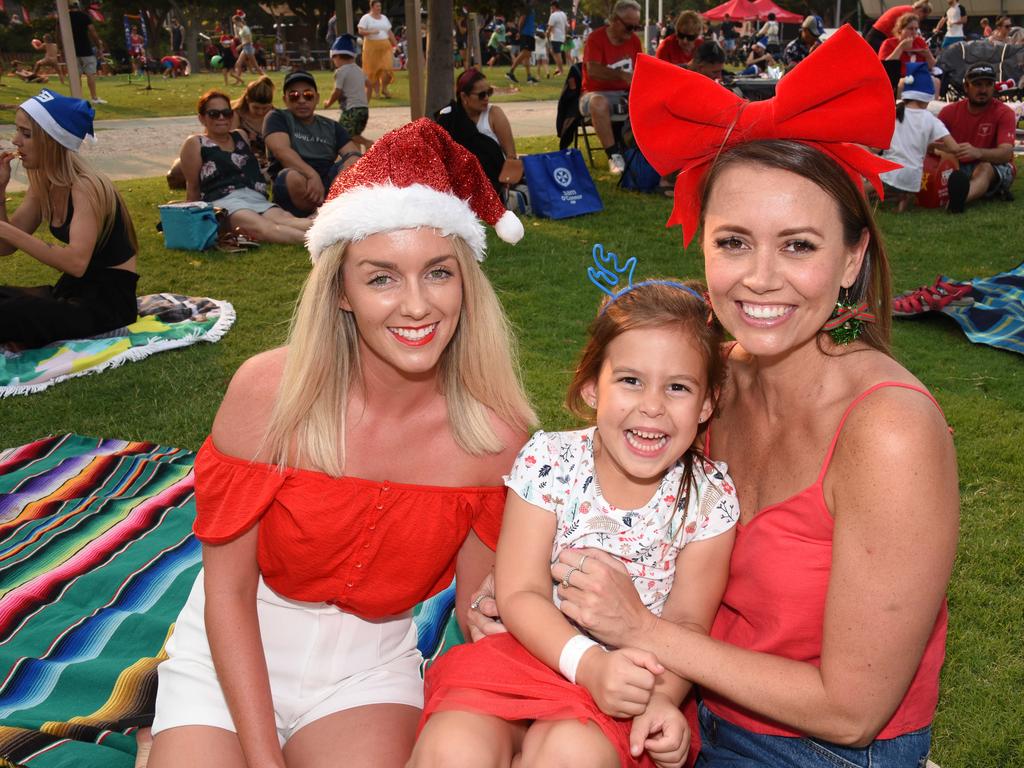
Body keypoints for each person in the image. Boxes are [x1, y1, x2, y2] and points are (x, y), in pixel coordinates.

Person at [494, 27, 957, 767]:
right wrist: (536, 593)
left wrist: (642, 630)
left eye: (799, 246)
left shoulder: (890, 432)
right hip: (678, 706)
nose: (760, 277)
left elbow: (852, 711)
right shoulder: (707, 385)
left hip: (816, 751)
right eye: (734, 241)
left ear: (852, 259)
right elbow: (607, 498)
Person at [147, 119, 532, 768]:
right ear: (343, 292)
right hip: (235, 645)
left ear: (466, 281)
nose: (416, 306)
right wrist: (264, 758)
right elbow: (229, 594)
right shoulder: (268, 393)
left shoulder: (497, 437)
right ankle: (163, 737)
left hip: (370, 666)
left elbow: (476, 606)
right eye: (381, 278)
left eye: (438, 273)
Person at [411, 275, 738, 768]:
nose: (652, 406)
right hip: (535, 650)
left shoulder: (708, 500)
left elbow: (688, 623)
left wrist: (658, 699)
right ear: (591, 387)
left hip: (628, 681)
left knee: (572, 754)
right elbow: (519, 591)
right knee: (454, 747)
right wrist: (586, 663)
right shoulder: (550, 463)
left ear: (707, 403)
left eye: (677, 387)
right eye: (630, 380)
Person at [0, 91, 138, 348]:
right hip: (72, 291)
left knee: (12, 313)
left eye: (26, 134)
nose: (15, 140)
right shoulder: (43, 182)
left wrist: (6, 231)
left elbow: (76, 263)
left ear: (52, 141)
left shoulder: (85, 187)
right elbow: (5, 247)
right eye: (17, 131)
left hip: (108, 302)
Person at [180, 91, 311, 245]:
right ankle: (322, 242)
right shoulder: (196, 143)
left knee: (289, 220)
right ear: (202, 118)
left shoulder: (240, 136)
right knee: (264, 229)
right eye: (214, 114)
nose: (221, 118)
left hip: (254, 196)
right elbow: (193, 186)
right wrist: (191, 223)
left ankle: (338, 234)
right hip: (224, 201)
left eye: (226, 113)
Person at [265, 70, 363, 217]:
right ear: (285, 99)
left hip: (327, 179)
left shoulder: (331, 126)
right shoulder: (277, 117)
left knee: (355, 165)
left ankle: (325, 212)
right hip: (295, 178)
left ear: (316, 98)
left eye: (308, 95)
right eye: (294, 96)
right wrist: (311, 175)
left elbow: (353, 154)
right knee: (292, 177)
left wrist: (342, 179)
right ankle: (329, 212)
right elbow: (281, 151)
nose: (302, 100)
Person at [938, 62, 1016, 213]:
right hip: (958, 164)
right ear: (966, 87)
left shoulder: (1005, 113)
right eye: (978, 85)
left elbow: (1006, 154)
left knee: (984, 168)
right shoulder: (948, 112)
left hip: (993, 165)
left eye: (988, 84)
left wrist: (978, 152)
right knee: (942, 159)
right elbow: (930, 146)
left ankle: (959, 200)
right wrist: (952, 150)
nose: (983, 90)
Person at [880, 63, 958, 212]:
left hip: (889, 173)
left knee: (873, 179)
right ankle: (901, 202)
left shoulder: (893, 111)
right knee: (903, 179)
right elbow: (954, 147)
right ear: (928, 97)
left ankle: (858, 195)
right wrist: (937, 146)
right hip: (913, 180)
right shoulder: (931, 119)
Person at [580, 0, 643, 174]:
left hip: (625, 94)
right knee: (598, 102)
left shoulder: (634, 41)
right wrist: (621, 75)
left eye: (636, 27)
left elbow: (641, 69)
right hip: (594, 93)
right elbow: (592, 70)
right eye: (629, 27)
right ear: (615, 20)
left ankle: (645, 152)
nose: (632, 32)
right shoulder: (596, 39)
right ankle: (614, 156)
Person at [435, 68, 518, 194]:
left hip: (493, 186)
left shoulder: (494, 114)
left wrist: (506, 186)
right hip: (458, 187)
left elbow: (511, 156)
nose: (486, 98)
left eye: (489, 92)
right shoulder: (450, 119)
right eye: (481, 95)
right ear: (464, 96)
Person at [324, 35, 372, 152]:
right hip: (363, 109)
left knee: (343, 132)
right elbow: (369, 85)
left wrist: (329, 103)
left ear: (338, 56)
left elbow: (337, 91)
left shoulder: (341, 71)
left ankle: (368, 143)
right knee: (354, 135)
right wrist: (365, 101)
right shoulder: (359, 70)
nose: (334, 62)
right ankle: (357, 160)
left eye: (333, 58)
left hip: (351, 109)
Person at [231, 75, 275, 178]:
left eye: (265, 108)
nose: (260, 112)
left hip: (267, 163)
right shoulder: (236, 114)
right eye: (256, 107)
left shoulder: (274, 115)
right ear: (247, 100)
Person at [68, 0, 106, 104]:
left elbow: (58, 33)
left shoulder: (64, 18)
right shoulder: (84, 16)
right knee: (90, 74)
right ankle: (94, 98)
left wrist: (61, 48)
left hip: (71, 50)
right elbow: (93, 32)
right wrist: (99, 46)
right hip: (86, 49)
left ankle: (77, 98)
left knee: (76, 76)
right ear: (78, 5)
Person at [359, 0, 397, 99]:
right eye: (377, 6)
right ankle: (376, 93)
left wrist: (396, 45)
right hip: (371, 47)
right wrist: (371, 31)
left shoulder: (384, 18)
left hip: (385, 46)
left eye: (380, 6)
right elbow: (361, 30)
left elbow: (389, 32)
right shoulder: (366, 18)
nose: (379, 8)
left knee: (387, 68)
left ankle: (384, 88)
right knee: (373, 71)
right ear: (372, 7)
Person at [865, 0, 931, 51]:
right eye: (924, 17)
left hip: (875, 36)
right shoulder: (908, 14)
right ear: (920, 11)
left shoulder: (907, 9)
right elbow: (904, 33)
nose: (922, 19)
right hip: (878, 38)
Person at [507, 6, 540, 84]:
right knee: (525, 53)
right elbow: (522, 19)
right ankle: (510, 72)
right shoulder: (527, 7)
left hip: (529, 34)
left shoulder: (531, 8)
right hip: (526, 34)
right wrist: (519, 32)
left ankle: (529, 77)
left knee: (527, 56)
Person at [233, 12, 266, 79]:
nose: (234, 24)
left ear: (238, 21)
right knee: (238, 64)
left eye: (235, 22)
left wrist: (240, 46)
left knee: (255, 66)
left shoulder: (245, 28)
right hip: (245, 48)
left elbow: (249, 40)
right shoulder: (241, 29)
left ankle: (265, 78)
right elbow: (239, 37)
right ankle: (238, 80)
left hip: (249, 48)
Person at [548, 1, 568, 75]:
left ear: (553, 6)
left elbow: (550, 27)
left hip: (555, 37)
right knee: (553, 51)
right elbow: (566, 27)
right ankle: (558, 67)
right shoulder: (563, 14)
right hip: (561, 37)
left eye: (551, 7)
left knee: (557, 54)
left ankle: (561, 71)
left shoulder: (553, 15)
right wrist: (565, 36)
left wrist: (547, 34)